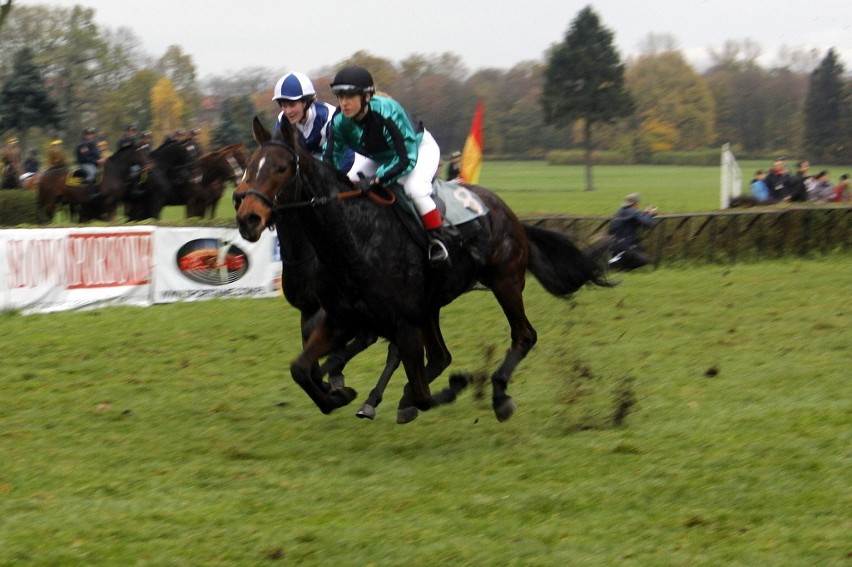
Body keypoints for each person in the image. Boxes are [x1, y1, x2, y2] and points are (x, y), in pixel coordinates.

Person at [323, 65, 450, 268]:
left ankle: (438, 241)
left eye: (350, 96)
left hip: (418, 148)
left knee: (414, 189)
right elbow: (330, 161)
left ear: (366, 96)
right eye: (340, 96)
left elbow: (406, 159)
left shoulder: (387, 111)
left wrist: (376, 179)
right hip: (380, 155)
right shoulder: (339, 122)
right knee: (351, 184)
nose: (343, 103)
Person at [607, 192, 657, 271]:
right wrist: (651, 214)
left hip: (614, 243)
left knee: (641, 248)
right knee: (645, 259)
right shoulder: (633, 212)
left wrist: (644, 213)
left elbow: (635, 218)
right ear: (636, 203)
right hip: (625, 245)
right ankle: (622, 268)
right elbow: (647, 224)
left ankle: (617, 265)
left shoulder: (620, 211)